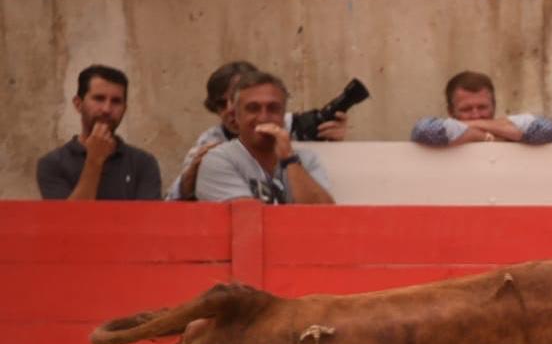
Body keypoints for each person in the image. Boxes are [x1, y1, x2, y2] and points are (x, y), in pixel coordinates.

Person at [169, 61, 349, 200]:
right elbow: (246, 220)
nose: (263, 117)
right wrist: (189, 180)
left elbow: (323, 217)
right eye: (221, 104)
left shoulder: (299, 147)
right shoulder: (209, 145)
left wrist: (332, 140)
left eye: (272, 108)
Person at [37, 64, 161, 200]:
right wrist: (94, 159)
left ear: (124, 109)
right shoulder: (53, 164)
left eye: (116, 101)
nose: (107, 109)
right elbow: (70, 219)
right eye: (99, 99)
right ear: (78, 104)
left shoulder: (143, 163)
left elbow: (147, 220)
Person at [410, 70, 552, 147]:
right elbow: (423, 131)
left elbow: (546, 129)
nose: (476, 115)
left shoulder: (507, 127)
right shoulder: (442, 130)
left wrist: (474, 126)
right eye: (466, 109)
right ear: (450, 111)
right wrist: (486, 137)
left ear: (494, 106)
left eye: (482, 107)